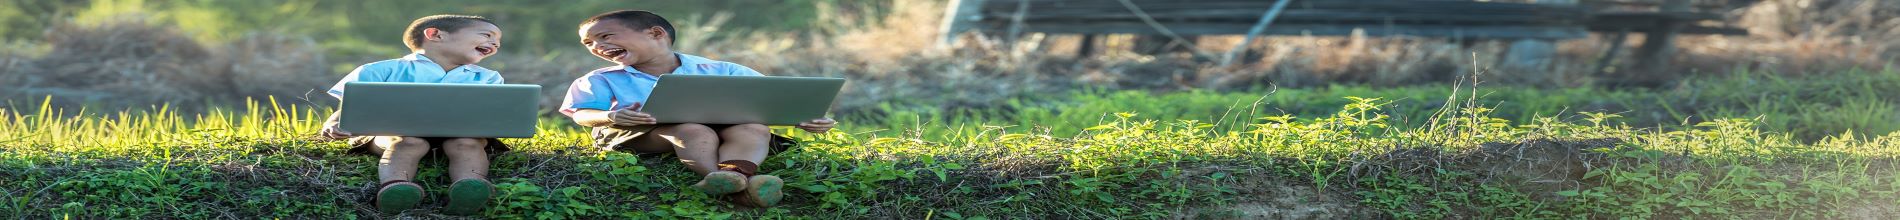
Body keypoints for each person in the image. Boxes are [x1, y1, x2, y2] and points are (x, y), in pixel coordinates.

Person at [560, 10, 836, 207]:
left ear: (656, 34)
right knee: (693, 130)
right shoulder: (601, 78)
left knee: (755, 127)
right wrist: (611, 115)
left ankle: (734, 178)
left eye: (606, 36)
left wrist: (802, 118)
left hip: (722, 128)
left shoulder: (723, 69)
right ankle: (722, 178)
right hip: (639, 134)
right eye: (589, 43)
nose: (598, 46)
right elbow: (582, 114)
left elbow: (769, 100)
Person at [317, 14, 506, 215]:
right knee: (408, 141)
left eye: (498, 41)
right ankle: (396, 188)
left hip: (460, 136)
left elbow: (489, 114)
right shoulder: (381, 70)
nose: (495, 43)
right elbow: (351, 106)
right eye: (487, 35)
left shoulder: (488, 77)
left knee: (467, 143)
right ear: (435, 34)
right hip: (392, 134)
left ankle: (471, 187)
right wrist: (334, 122)